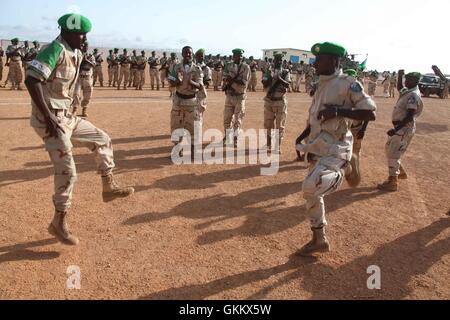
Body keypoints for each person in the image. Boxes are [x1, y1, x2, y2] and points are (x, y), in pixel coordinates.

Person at [24, 13, 134, 246]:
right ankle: (58, 222)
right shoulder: (54, 49)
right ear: (67, 32)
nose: (84, 38)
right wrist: (49, 118)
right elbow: (32, 80)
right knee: (68, 171)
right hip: (51, 121)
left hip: (67, 117)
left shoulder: (77, 51)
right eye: (80, 34)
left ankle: (108, 186)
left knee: (102, 138)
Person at [295, 42, 376, 256]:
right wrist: (302, 137)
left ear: (333, 60)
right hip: (317, 145)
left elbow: (370, 113)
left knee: (310, 186)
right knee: (312, 195)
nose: (315, 63)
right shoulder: (321, 83)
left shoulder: (348, 83)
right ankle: (319, 239)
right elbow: (316, 116)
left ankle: (347, 168)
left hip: (336, 146)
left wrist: (339, 111)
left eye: (319, 59)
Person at [377, 71, 423, 192]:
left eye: (409, 80)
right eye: (406, 79)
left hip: (403, 128)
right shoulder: (408, 91)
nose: (406, 82)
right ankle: (399, 172)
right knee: (389, 150)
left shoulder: (413, 95)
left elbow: (409, 117)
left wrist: (395, 129)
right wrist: (400, 76)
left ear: (416, 81)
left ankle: (393, 182)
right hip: (401, 128)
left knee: (393, 153)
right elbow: (400, 88)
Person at [168, 46, 204, 158]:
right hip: (178, 101)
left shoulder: (197, 69)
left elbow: (200, 86)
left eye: (189, 53)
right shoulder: (176, 66)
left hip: (191, 101)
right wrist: (176, 82)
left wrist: (191, 82)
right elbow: (171, 80)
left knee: (193, 127)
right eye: (185, 53)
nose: (188, 55)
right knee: (176, 125)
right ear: (182, 54)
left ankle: (193, 151)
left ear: (192, 54)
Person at [262, 53, 291, 154]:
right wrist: (269, 77)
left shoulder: (285, 72)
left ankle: (277, 146)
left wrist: (280, 79)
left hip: (280, 101)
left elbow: (287, 85)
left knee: (280, 126)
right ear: (273, 61)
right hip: (269, 100)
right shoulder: (269, 71)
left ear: (282, 62)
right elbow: (264, 83)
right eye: (276, 60)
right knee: (268, 124)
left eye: (280, 60)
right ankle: (268, 143)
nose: (278, 62)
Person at [222, 49, 251, 145]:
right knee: (227, 118)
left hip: (240, 96)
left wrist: (232, 79)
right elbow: (224, 77)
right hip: (229, 96)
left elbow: (244, 82)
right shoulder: (228, 65)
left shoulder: (245, 67)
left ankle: (235, 139)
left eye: (240, 56)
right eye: (236, 55)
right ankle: (227, 136)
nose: (238, 57)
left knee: (238, 119)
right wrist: (228, 80)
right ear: (233, 56)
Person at [73, 41, 96, 117]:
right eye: (84, 46)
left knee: (88, 94)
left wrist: (87, 60)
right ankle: (75, 109)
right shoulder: (78, 55)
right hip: (79, 77)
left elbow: (94, 64)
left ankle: (84, 109)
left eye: (87, 46)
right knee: (76, 93)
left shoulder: (90, 55)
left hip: (87, 77)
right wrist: (82, 60)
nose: (85, 47)